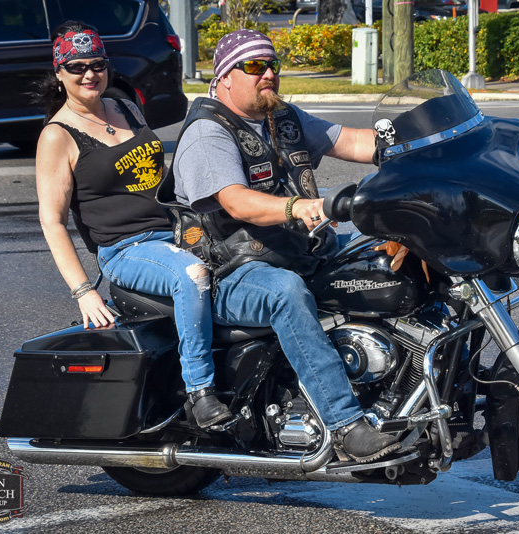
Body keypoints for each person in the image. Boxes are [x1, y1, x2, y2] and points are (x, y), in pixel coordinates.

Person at [161, 29, 400, 464]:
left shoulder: (281, 117)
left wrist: (414, 141)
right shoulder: (207, 133)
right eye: (253, 66)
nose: (267, 73)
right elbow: (237, 201)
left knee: (383, 258)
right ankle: (346, 425)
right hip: (230, 272)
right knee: (286, 294)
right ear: (225, 77)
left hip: (295, 249)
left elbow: (350, 140)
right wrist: (302, 207)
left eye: (272, 65)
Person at [34, 21, 230, 430]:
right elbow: (52, 222)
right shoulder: (58, 135)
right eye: (77, 66)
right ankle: (200, 391)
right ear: (59, 73)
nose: (90, 74)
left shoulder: (124, 106)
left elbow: (160, 177)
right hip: (127, 249)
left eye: (98, 63)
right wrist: (85, 293)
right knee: (191, 274)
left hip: (174, 229)